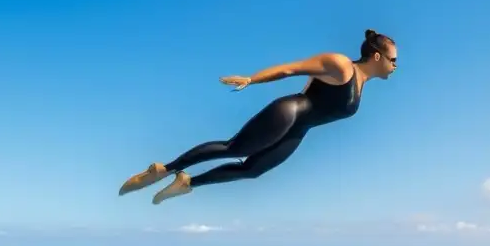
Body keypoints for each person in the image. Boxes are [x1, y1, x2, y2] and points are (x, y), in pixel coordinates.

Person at [119, 29, 397, 204]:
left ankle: (188, 183)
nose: (395, 66)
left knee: (253, 170)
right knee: (235, 148)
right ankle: (164, 169)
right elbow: (292, 68)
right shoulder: (341, 65)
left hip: (299, 130)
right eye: (392, 60)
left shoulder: (361, 85)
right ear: (375, 56)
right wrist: (251, 79)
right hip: (290, 112)